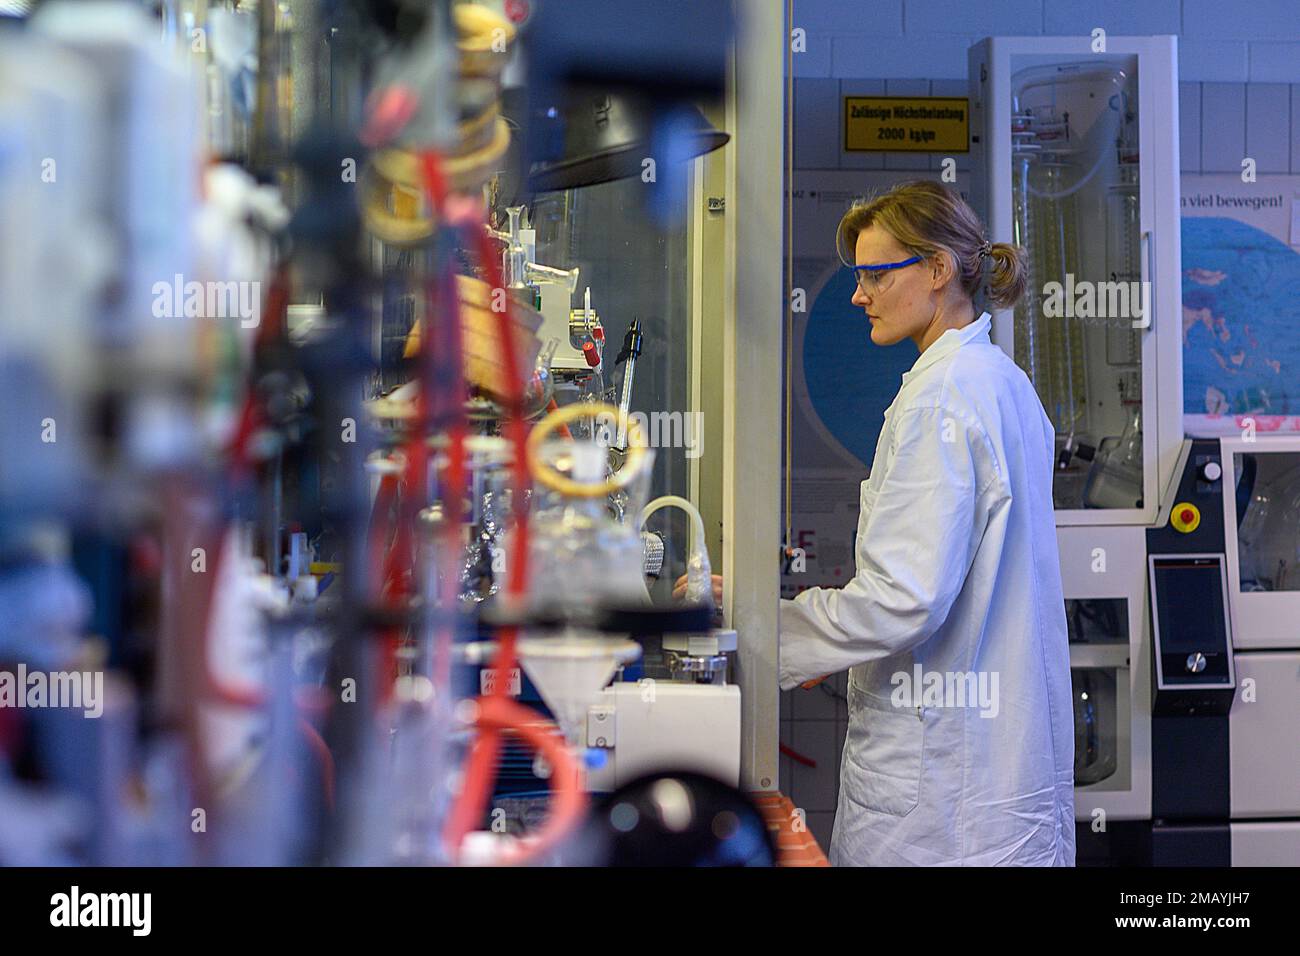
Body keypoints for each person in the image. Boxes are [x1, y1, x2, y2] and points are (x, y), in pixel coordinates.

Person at [678, 180, 1074, 866]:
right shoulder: (1003, 383)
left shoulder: (940, 402)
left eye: (873, 275)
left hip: (942, 795)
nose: (858, 294)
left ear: (938, 270)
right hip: (998, 777)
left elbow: (903, 600)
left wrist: (764, 629)